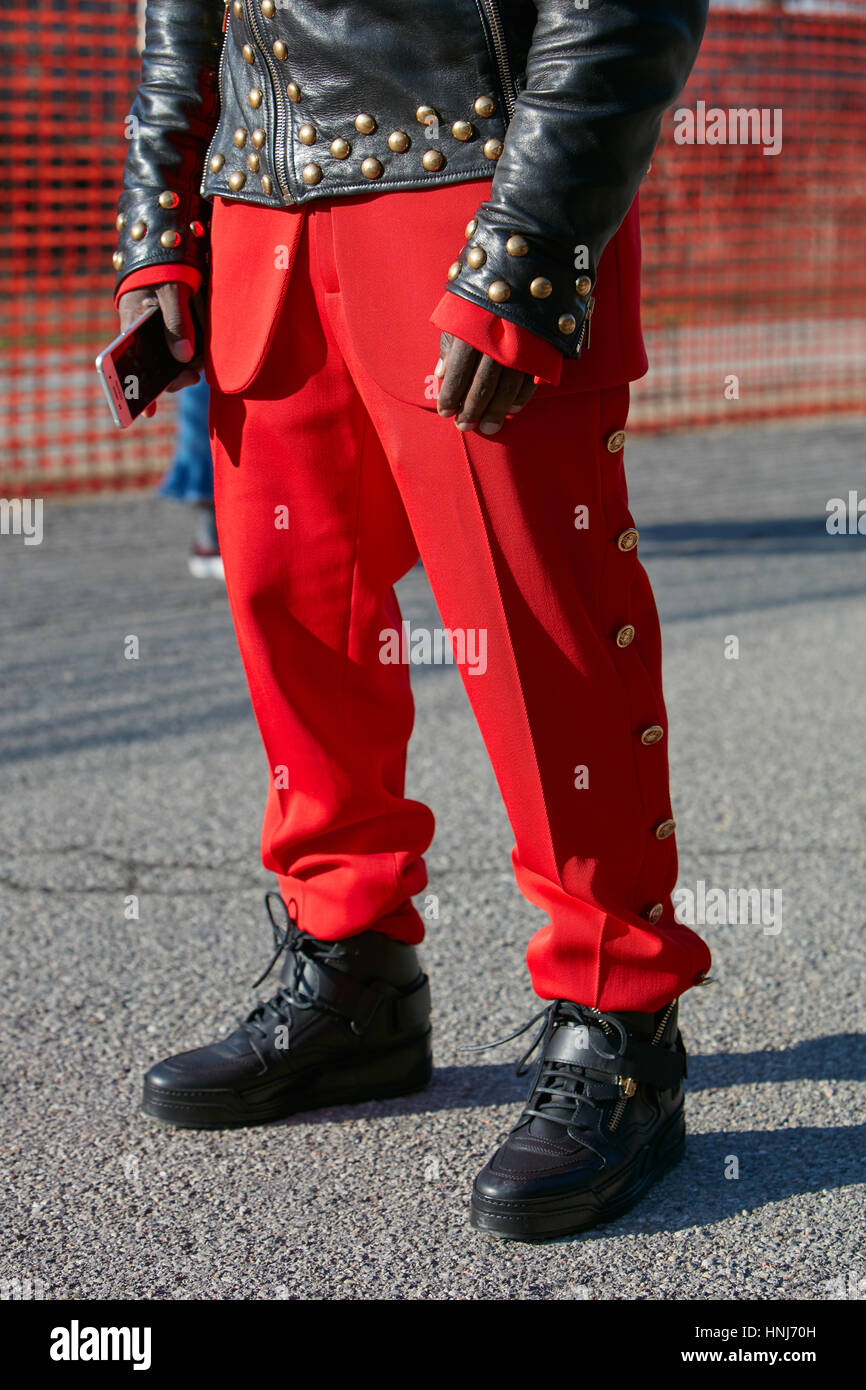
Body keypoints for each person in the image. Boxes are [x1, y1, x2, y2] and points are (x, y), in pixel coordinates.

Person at [113, 0, 713, 1241]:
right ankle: (353, 977)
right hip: (260, 194)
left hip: (470, 178)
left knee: (539, 624)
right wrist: (161, 218)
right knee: (292, 612)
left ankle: (620, 1020)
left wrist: (537, 228)